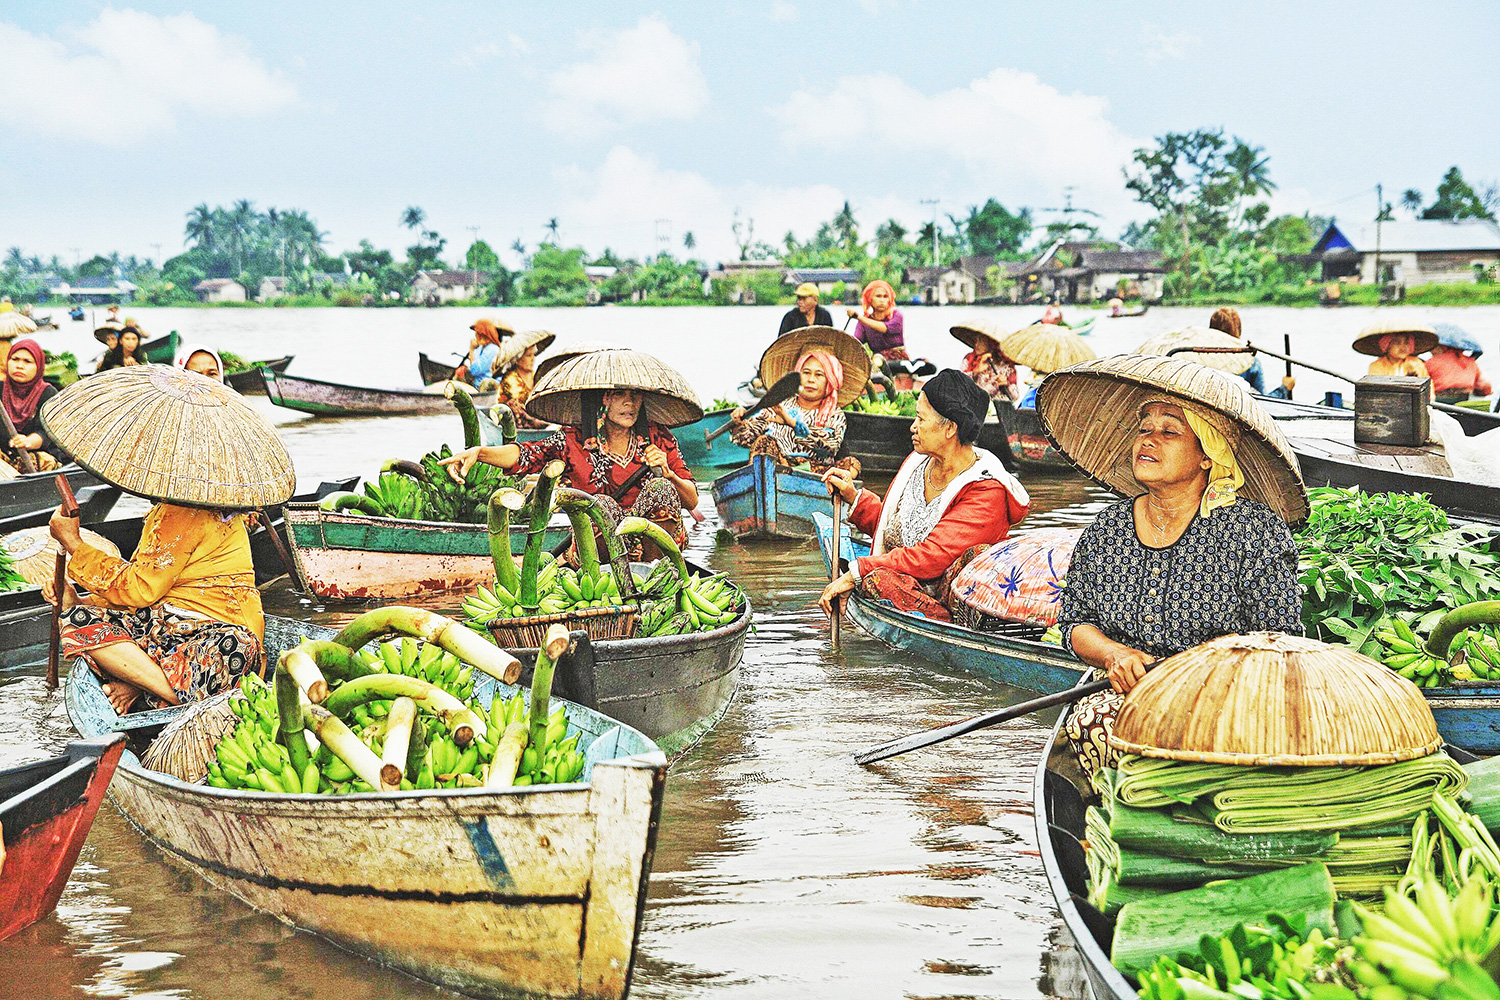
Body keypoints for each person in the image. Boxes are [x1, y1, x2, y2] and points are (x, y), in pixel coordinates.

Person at [1043, 367, 1305, 779]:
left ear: (1207, 454)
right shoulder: (1108, 529)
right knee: (1092, 728)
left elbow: (1280, 639)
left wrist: (1190, 675)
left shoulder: (1252, 532)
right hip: (1121, 692)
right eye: (1144, 429)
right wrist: (1116, 654)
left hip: (1225, 694)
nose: (1148, 439)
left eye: (1169, 432)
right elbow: (1075, 622)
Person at [819, 370, 1030, 623]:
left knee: (878, 580)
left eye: (920, 419)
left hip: (956, 604)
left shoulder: (986, 489)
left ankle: (946, 628)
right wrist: (854, 497)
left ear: (950, 428)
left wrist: (857, 571)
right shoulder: (919, 463)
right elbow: (899, 532)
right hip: (914, 581)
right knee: (877, 577)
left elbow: (931, 556)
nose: (913, 426)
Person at [441, 353, 699, 552]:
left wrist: (669, 476)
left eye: (636, 395)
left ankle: (657, 577)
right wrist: (479, 452)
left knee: (662, 489)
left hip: (655, 547)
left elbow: (692, 502)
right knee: (602, 505)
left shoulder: (657, 436)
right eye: (620, 394)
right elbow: (525, 456)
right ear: (602, 399)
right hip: (597, 550)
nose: (630, 403)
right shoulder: (572, 439)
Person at [46, 499, 266, 715]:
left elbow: (139, 588)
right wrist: (81, 601)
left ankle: (150, 689)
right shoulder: (173, 509)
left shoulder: (184, 509)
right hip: (168, 627)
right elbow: (146, 583)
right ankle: (159, 687)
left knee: (236, 644)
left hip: (214, 634)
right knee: (78, 617)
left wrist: (73, 542)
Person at [730, 349, 850, 472]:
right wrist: (739, 423)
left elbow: (830, 447)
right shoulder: (779, 405)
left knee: (851, 464)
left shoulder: (834, 414)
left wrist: (790, 422)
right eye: (806, 373)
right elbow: (744, 439)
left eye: (819, 375)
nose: (811, 379)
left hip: (814, 474)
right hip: (772, 470)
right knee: (764, 441)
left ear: (829, 380)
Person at [1207, 307, 1294, 398]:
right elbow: (1264, 402)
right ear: (1238, 330)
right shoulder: (1251, 363)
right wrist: (1284, 389)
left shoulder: (1198, 356)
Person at [2, 339, 62, 471]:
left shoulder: (48, 393)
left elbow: (47, 432)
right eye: (15, 359)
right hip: (5, 458)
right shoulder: (0, 388)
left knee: (45, 461)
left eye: (27, 362)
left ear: (38, 366)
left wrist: (28, 442)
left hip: (38, 459)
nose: (19, 366)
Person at [490, 330, 555, 429]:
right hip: (514, 421)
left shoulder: (535, 375)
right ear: (517, 360)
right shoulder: (510, 379)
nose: (533, 359)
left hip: (534, 417)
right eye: (528, 355)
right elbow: (520, 407)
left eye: (534, 355)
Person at [952, 322, 1021, 403]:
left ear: (991, 343)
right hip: (973, 405)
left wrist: (1006, 384)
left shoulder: (1006, 365)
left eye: (981, 341)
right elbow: (959, 386)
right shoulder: (969, 359)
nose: (976, 344)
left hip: (998, 408)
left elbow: (1015, 397)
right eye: (976, 340)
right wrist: (976, 372)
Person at [1426, 324, 1492, 403]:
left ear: (1443, 347)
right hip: (1465, 400)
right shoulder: (1471, 362)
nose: (1430, 350)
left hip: (1441, 401)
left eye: (1433, 347)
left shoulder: (1431, 363)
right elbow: (1484, 387)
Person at [846, 279, 907, 361]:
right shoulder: (864, 322)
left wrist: (859, 317)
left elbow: (885, 328)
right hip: (877, 361)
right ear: (870, 299)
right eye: (878, 296)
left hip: (898, 360)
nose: (882, 300)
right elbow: (856, 343)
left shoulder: (897, 315)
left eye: (885, 297)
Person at [456, 318, 513, 387]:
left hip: (487, 386)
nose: (476, 336)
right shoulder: (481, 347)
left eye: (478, 334)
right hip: (477, 383)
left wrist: (471, 349)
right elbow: (473, 363)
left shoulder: (492, 349)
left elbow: (475, 371)